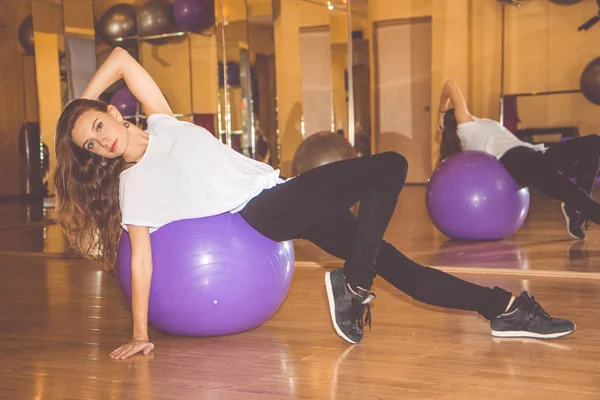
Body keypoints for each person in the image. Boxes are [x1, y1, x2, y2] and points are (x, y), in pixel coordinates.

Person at [54, 48, 575, 361]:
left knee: (404, 270)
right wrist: (140, 333)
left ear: (112, 111)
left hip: (279, 194)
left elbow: (122, 60)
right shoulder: (132, 184)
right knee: (391, 166)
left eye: (99, 126)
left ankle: (502, 308)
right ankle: (354, 283)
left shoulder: (162, 119)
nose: (103, 142)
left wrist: (75, 106)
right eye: (90, 145)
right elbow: (140, 258)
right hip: (262, 211)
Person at [437, 79, 600, 240]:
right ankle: (583, 207)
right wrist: (441, 114)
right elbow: (450, 85)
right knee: (568, 190)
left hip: (537, 152)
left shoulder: (476, 126)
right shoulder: (465, 129)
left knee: (594, 142)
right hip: (517, 160)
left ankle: (577, 206)